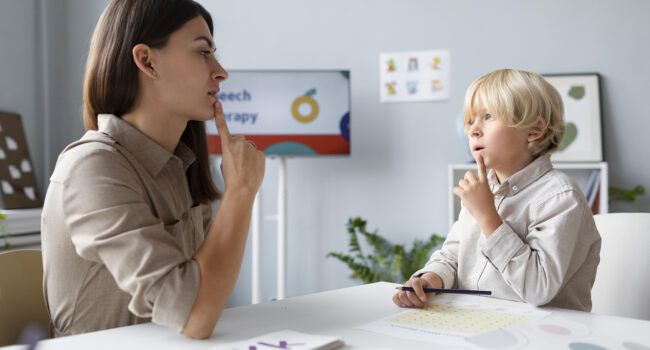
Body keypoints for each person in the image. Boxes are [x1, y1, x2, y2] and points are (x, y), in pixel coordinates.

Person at [41, 0, 265, 339]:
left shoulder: (184, 166)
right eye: (203, 53)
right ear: (147, 61)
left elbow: (204, 302)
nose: (220, 72)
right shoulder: (91, 167)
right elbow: (196, 315)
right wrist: (241, 192)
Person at [393, 69, 601, 312]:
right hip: (478, 323)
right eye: (471, 120)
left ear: (534, 130)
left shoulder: (560, 197)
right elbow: (453, 255)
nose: (472, 130)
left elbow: (539, 288)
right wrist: (430, 279)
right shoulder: (480, 190)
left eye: (488, 116)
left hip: (544, 333)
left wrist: (488, 216)